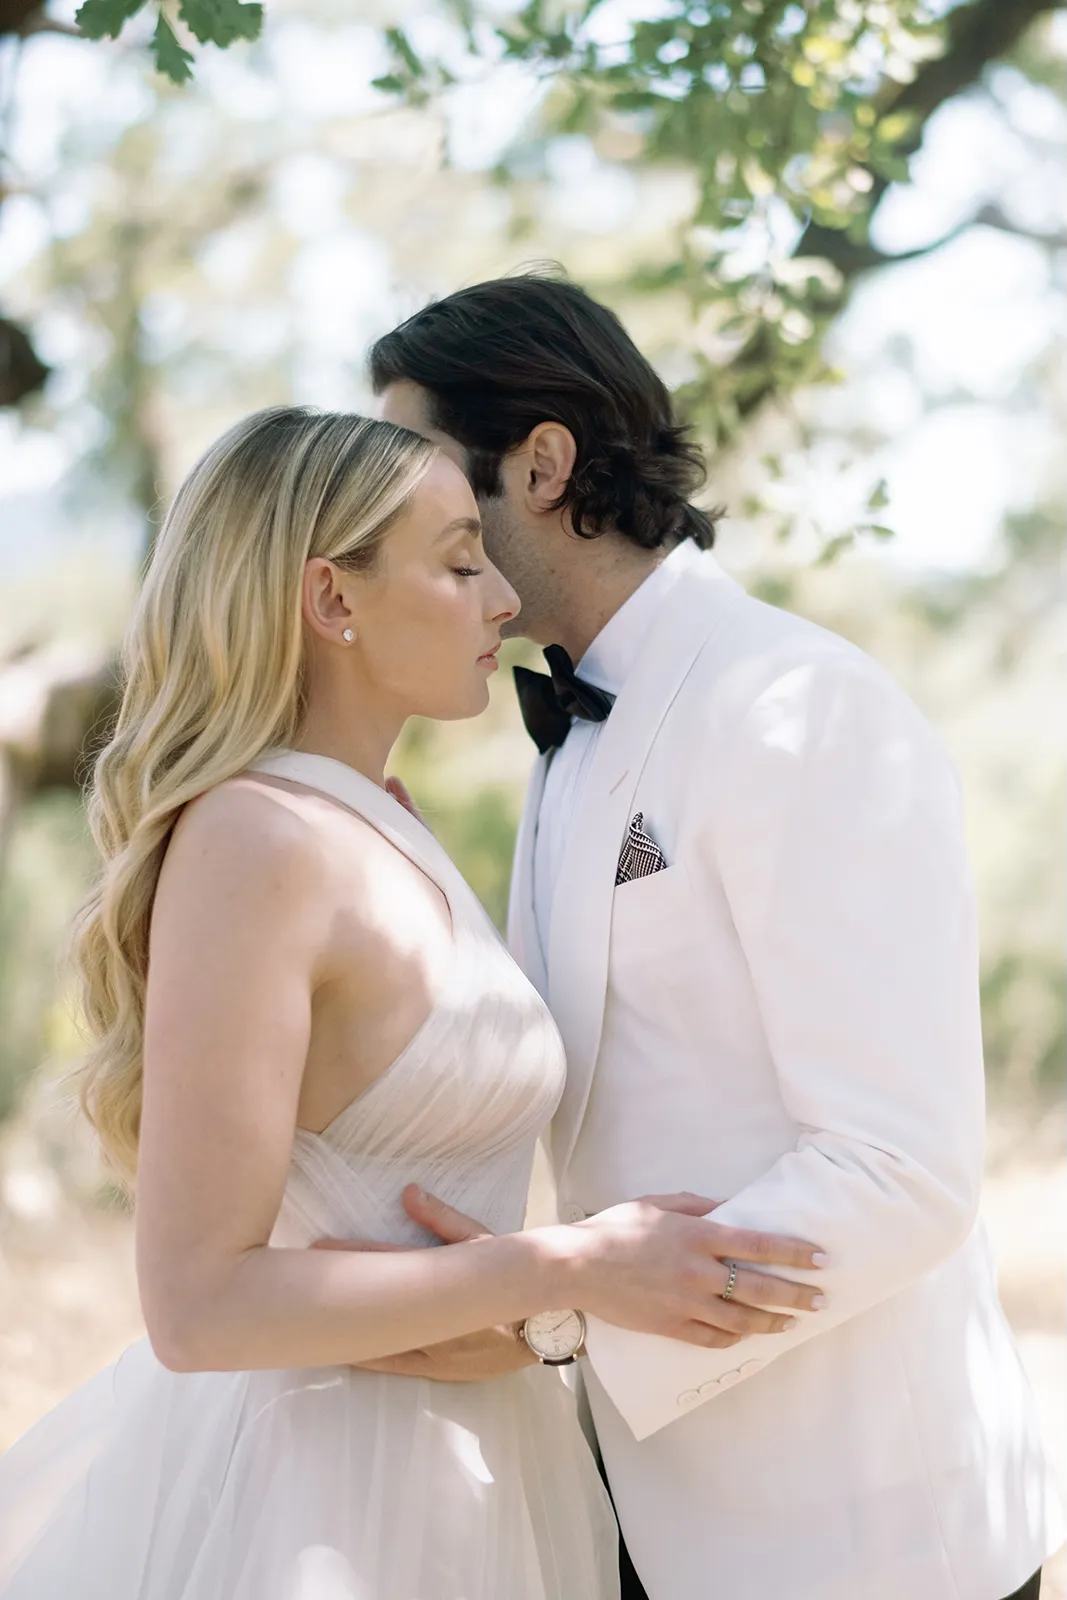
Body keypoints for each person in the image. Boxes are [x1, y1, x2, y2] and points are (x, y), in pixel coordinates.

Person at [0, 406, 825, 1600]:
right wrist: (571, 1267)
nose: (501, 598)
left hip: (479, 1468)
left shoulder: (380, 818)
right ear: (332, 601)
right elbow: (196, 1301)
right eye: (455, 563)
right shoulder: (253, 838)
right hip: (323, 1499)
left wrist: (538, 1313)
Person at [370, 272, 1065, 1600]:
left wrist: (550, 1315)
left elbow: (900, 1170)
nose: (404, 517)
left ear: (540, 464)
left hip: (862, 1541)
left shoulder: (800, 708)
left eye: (421, 471)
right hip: (647, 1517)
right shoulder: (563, 737)